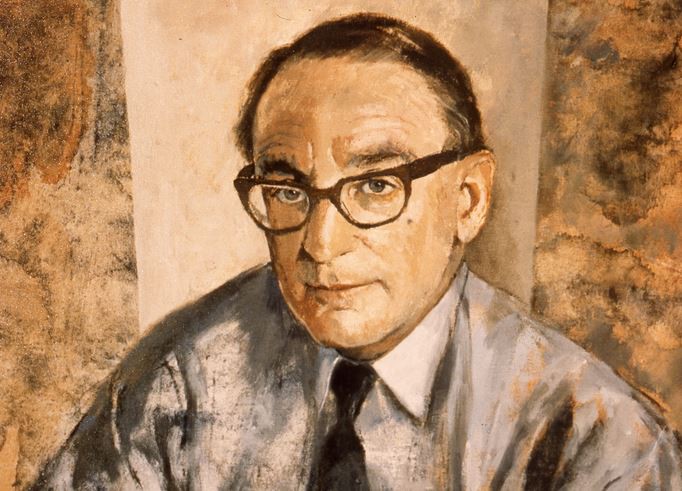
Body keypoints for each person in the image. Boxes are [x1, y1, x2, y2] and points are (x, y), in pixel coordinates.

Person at [33, 13, 681, 490]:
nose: (320, 244)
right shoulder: (182, 380)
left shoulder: (594, 437)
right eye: (288, 190)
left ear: (469, 199)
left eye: (376, 185)